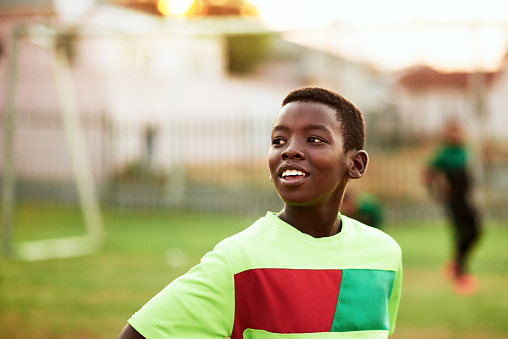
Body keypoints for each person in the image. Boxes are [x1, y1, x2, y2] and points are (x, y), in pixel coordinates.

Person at [118, 87, 403, 339]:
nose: (290, 150)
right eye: (278, 140)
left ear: (356, 164)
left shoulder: (385, 254)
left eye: (314, 139)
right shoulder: (239, 261)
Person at [422, 120, 482, 295]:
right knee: (460, 232)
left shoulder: (464, 150)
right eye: (452, 132)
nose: (455, 135)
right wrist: (437, 192)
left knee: (475, 230)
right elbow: (427, 173)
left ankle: (456, 265)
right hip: (455, 200)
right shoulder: (444, 154)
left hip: (466, 198)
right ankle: (460, 275)